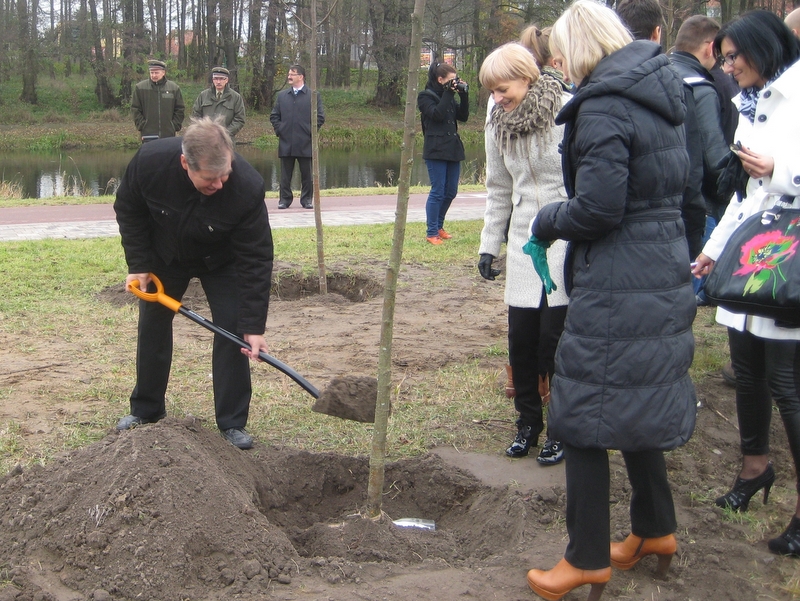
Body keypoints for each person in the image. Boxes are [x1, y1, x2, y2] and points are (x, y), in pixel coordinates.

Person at [525, 2, 696, 599]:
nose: (560, 68)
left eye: (561, 58)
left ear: (579, 50)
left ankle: (587, 556)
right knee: (638, 398)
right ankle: (655, 528)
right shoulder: (662, 91)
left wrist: (547, 220)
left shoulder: (601, 106)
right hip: (664, 266)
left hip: (620, 279)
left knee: (581, 415)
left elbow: (599, 207)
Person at [692, 10, 800, 557]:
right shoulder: (748, 104)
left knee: (788, 384)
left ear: (763, 48)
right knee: (748, 371)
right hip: (751, 255)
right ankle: (754, 467)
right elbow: (742, 192)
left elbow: (773, 178)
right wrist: (713, 252)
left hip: (789, 262)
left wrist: (776, 171)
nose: (727, 66)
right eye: (723, 57)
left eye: (734, 56)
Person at [113, 117, 273, 450]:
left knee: (232, 329)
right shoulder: (150, 163)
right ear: (186, 163)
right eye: (211, 179)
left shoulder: (246, 187)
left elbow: (256, 258)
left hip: (222, 261)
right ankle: (146, 410)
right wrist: (139, 264)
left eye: (225, 174)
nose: (221, 184)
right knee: (153, 326)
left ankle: (232, 423)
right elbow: (128, 208)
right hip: (166, 256)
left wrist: (254, 324)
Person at [478, 40, 570, 466]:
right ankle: (528, 423)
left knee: (556, 343)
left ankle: (562, 429)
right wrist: (488, 245)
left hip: (564, 239)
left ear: (526, 77)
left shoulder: (567, 110)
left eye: (503, 89)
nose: (498, 99)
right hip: (520, 243)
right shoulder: (496, 121)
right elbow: (498, 189)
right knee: (522, 343)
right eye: (492, 92)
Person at [669, 16, 731, 260]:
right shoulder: (700, 87)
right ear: (711, 47)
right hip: (699, 205)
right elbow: (713, 155)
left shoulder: (658, 75)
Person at [418, 61, 469, 245]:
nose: (454, 83)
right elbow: (437, 115)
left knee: (451, 191)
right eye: (451, 80)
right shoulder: (425, 96)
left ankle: (439, 226)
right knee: (438, 191)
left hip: (452, 147)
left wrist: (463, 95)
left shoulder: (449, 96)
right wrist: (449, 92)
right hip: (435, 149)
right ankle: (431, 232)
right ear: (440, 80)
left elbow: (463, 116)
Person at [269, 65, 325, 210]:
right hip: (286, 141)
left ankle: (307, 200)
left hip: (305, 142)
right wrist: (280, 130)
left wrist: (310, 132)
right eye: (289, 74)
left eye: (293, 74)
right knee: (285, 175)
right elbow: (274, 116)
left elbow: (320, 117)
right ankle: (284, 200)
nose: (289, 76)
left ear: (301, 76)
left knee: (307, 175)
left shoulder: (313, 95)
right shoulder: (282, 96)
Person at [131, 59, 185, 143]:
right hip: (148, 135)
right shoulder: (140, 88)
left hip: (168, 135)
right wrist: (142, 125)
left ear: (163, 73)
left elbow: (180, 109)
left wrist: (174, 126)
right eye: (151, 73)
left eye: (156, 73)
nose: (153, 75)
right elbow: (135, 109)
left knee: (167, 156)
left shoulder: (173, 88)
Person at [191, 67, 246, 139]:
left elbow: (239, 119)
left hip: (226, 140)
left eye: (221, 79)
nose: (218, 82)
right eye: (216, 78)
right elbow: (196, 115)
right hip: (205, 139)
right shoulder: (203, 95)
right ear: (213, 80)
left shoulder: (236, 97)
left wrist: (225, 133)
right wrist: (203, 131)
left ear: (227, 80)